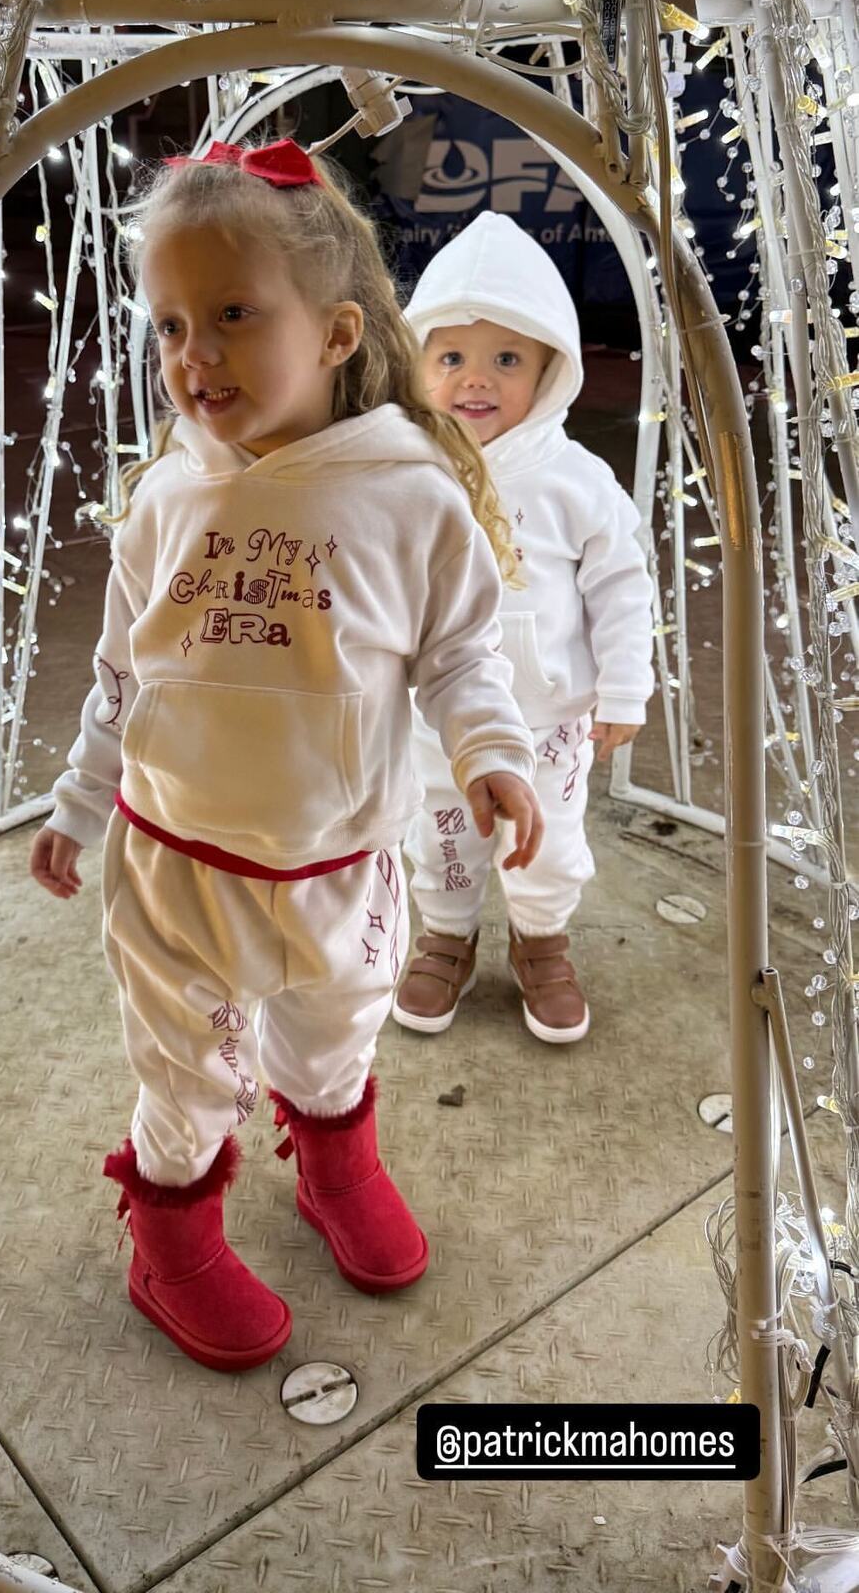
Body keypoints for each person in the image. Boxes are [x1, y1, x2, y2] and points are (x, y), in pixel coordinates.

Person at [30, 139, 542, 1375]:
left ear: (334, 332)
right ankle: (173, 1235)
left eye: (232, 315)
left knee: (332, 1030)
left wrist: (490, 751)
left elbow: (464, 652)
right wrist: (82, 796)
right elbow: (121, 669)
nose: (191, 356)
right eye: (166, 325)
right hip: (177, 867)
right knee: (188, 1070)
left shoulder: (410, 492)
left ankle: (333, 1160)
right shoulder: (166, 498)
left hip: (341, 859)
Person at [393, 210, 654, 1047]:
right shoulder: (405, 473)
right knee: (440, 831)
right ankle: (446, 933)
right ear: (418, 364)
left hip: (547, 717)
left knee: (546, 842)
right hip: (438, 718)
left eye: (506, 358)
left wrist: (622, 688)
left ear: (550, 368)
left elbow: (620, 584)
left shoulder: (576, 480)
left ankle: (541, 942)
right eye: (452, 357)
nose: (476, 379)